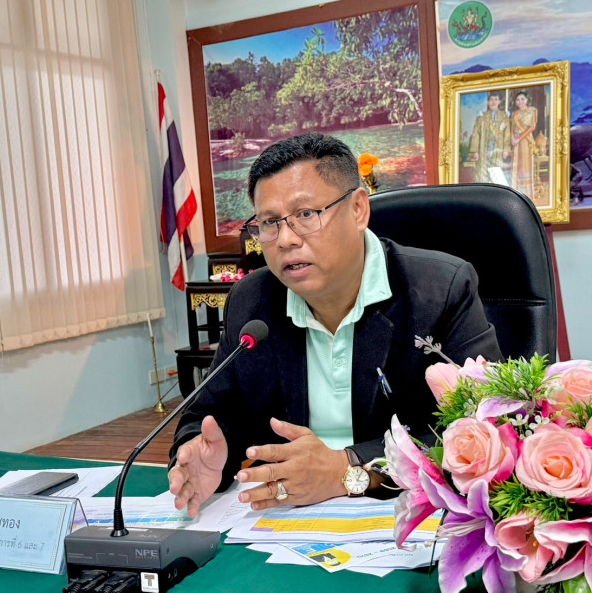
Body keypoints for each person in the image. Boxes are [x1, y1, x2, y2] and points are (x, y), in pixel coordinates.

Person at [168, 133, 501, 518]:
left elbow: (485, 428)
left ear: (358, 209)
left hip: (405, 514)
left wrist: (348, 469)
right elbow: (208, 413)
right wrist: (207, 452)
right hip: (285, 520)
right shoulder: (252, 300)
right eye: (270, 222)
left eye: (306, 214)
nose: (286, 239)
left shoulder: (439, 289)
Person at [468, 91, 511, 183]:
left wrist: (506, 149)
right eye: (491, 99)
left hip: (498, 148)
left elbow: (507, 135)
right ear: (488, 102)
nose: (493, 102)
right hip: (484, 148)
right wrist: (475, 151)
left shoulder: (504, 117)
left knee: (497, 171)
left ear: (499, 102)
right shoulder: (481, 117)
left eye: (496, 99)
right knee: (482, 171)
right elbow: (476, 134)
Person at [510, 91, 538, 197]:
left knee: (525, 165)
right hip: (516, 142)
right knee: (517, 165)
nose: (520, 101)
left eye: (522, 99)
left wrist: (519, 139)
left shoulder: (532, 111)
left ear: (526, 100)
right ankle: (517, 191)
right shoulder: (514, 114)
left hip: (526, 141)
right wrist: (513, 138)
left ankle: (527, 193)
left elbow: (532, 127)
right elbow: (512, 127)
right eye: (518, 100)